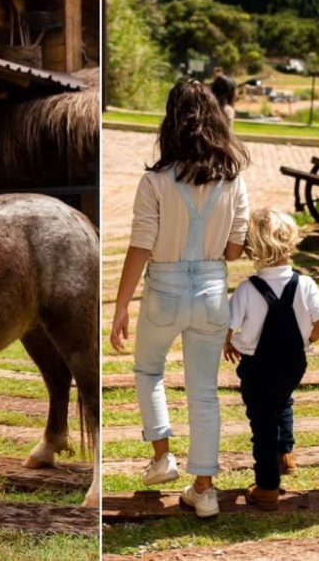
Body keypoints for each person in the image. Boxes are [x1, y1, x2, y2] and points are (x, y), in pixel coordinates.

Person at [110, 79, 250, 518]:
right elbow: (234, 250)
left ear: (170, 122)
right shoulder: (233, 179)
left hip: (164, 289)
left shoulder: (154, 181)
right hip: (212, 290)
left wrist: (120, 306)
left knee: (148, 369)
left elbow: (140, 246)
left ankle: (162, 457)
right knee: (204, 393)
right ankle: (205, 491)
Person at [223, 209, 319, 509]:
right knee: (282, 400)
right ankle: (286, 454)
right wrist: (306, 340)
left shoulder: (247, 289)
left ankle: (268, 487)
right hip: (294, 362)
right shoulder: (305, 284)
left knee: (262, 422)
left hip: (258, 366)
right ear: (291, 244)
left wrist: (229, 342)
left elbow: (228, 326)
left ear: (252, 249)